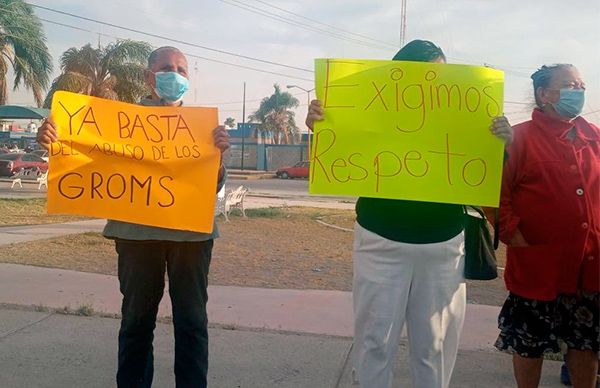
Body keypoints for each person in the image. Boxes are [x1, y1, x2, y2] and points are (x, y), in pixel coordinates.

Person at [306, 39, 513, 388]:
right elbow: (342, 150)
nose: (432, 83)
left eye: (440, 74)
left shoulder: (466, 113)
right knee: (374, 340)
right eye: (424, 73)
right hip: (380, 237)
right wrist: (323, 125)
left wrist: (501, 146)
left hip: (444, 243)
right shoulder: (370, 108)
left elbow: (486, 177)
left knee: (435, 345)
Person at [37, 46, 230, 388]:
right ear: (148, 76)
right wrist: (53, 138)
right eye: (167, 67)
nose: (175, 74)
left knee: (193, 324)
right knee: (137, 323)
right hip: (136, 236)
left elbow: (211, 185)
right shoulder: (118, 123)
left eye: (182, 70)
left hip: (191, 237)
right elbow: (84, 159)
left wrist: (216, 157)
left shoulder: (205, 129)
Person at [494, 64, 599, 388]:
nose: (578, 91)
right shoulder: (518, 137)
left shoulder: (593, 135)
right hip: (539, 265)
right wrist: (516, 237)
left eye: (580, 84)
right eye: (569, 84)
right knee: (530, 342)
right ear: (544, 94)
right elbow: (497, 196)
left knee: (585, 341)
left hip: (590, 263)